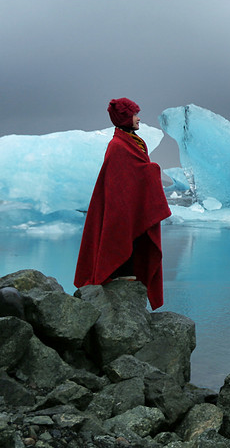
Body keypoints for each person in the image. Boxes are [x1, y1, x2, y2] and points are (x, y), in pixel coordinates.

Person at [74, 97, 171, 309]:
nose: (138, 118)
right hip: (120, 209)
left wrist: (149, 171)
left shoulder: (136, 142)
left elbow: (137, 172)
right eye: (135, 114)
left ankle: (131, 274)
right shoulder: (117, 145)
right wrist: (152, 170)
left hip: (134, 207)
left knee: (137, 239)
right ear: (125, 118)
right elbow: (122, 178)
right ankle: (119, 273)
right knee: (121, 237)